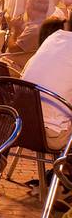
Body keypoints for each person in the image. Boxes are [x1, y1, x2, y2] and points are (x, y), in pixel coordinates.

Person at [21, 21, 72, 150]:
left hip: (20, 127)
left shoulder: (53, 37)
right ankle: (63, 168)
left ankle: (62, 168)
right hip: (53, 134)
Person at [7, 0, 51, 72]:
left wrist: (14, 30)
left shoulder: (33, 29)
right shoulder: (47, 24)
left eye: (27, 5)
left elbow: (12, 49)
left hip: (17, 66)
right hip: (35, 64)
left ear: (30, 8)